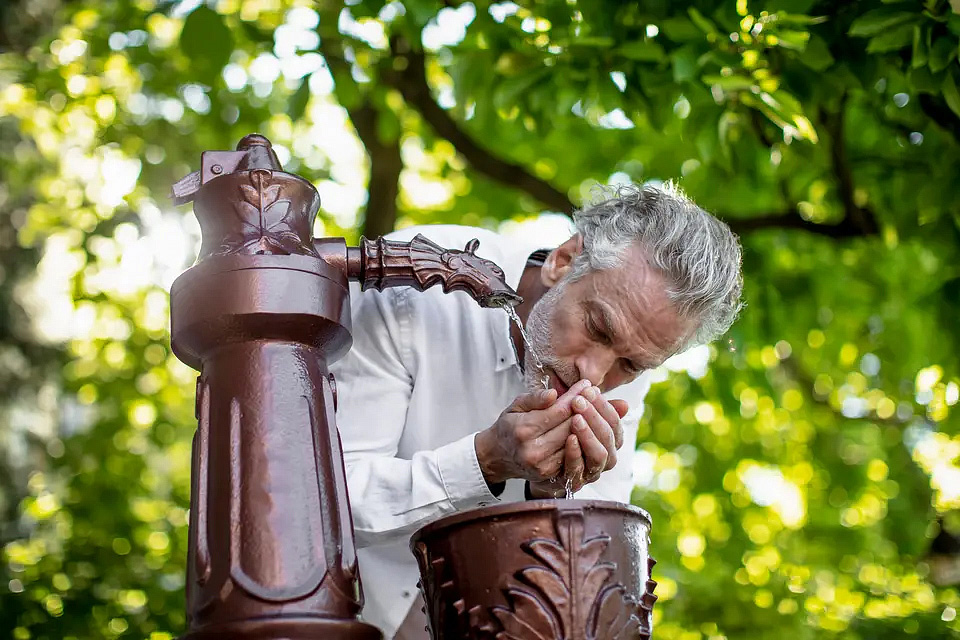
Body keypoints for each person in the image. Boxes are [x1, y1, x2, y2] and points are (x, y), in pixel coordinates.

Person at [331, 182, 743, 638]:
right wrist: (484, 461)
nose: (592, 375)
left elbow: (591, 573)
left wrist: (551, 496)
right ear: (563, 260)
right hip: (322, 604)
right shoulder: (415, 283)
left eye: (631, 365)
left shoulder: (629, 356)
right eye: (598, 327)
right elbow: (324, 501)